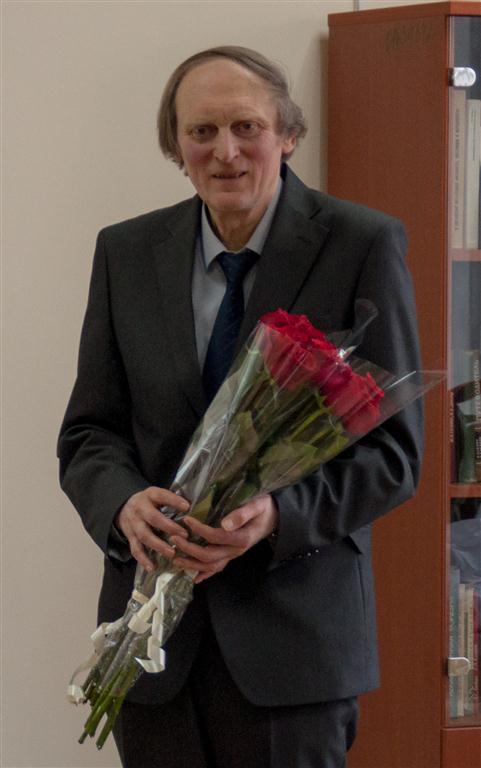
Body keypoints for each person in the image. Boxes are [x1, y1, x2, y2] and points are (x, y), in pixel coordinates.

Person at [58, 46, 423, 768]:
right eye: (201, 132)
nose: (225, 152)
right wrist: (123, 504)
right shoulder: (124, 253)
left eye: (246, 127)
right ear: (176, 149)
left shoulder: (361, 243)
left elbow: (395, 454)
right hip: (150, 650)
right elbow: (90, 431)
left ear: (287, 134)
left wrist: (276, 516)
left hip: (294, 648)